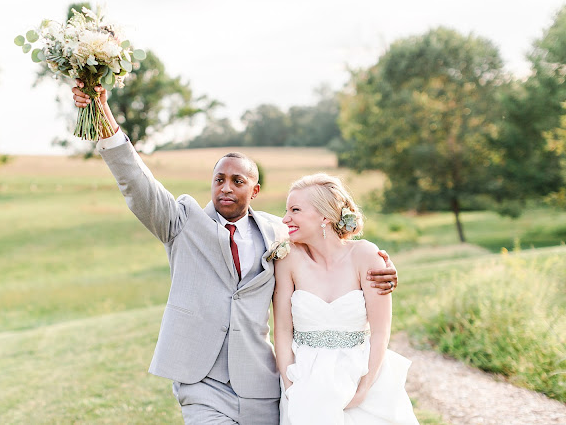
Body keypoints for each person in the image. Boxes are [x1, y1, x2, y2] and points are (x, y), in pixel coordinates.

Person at [71, 83, 400, 424]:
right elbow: (137, 184)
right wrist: (104, 117)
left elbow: (333, 244)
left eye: (237, 181)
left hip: (260, 383)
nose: (226, 187)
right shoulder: (182, 222)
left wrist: (382, 268)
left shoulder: (278, 233)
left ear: (254, 190)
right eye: (219, 179)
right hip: (201, 383)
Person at [273, 174, 418, 424]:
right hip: (305, 379)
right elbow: (283, 332)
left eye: (295, 210)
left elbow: (381, 332)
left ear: (325, 216)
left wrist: (363, 389)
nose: (285, 219)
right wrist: (290, 388)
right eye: (287, 210)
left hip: (362, 374)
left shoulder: (366, 255)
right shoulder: (287, 259)